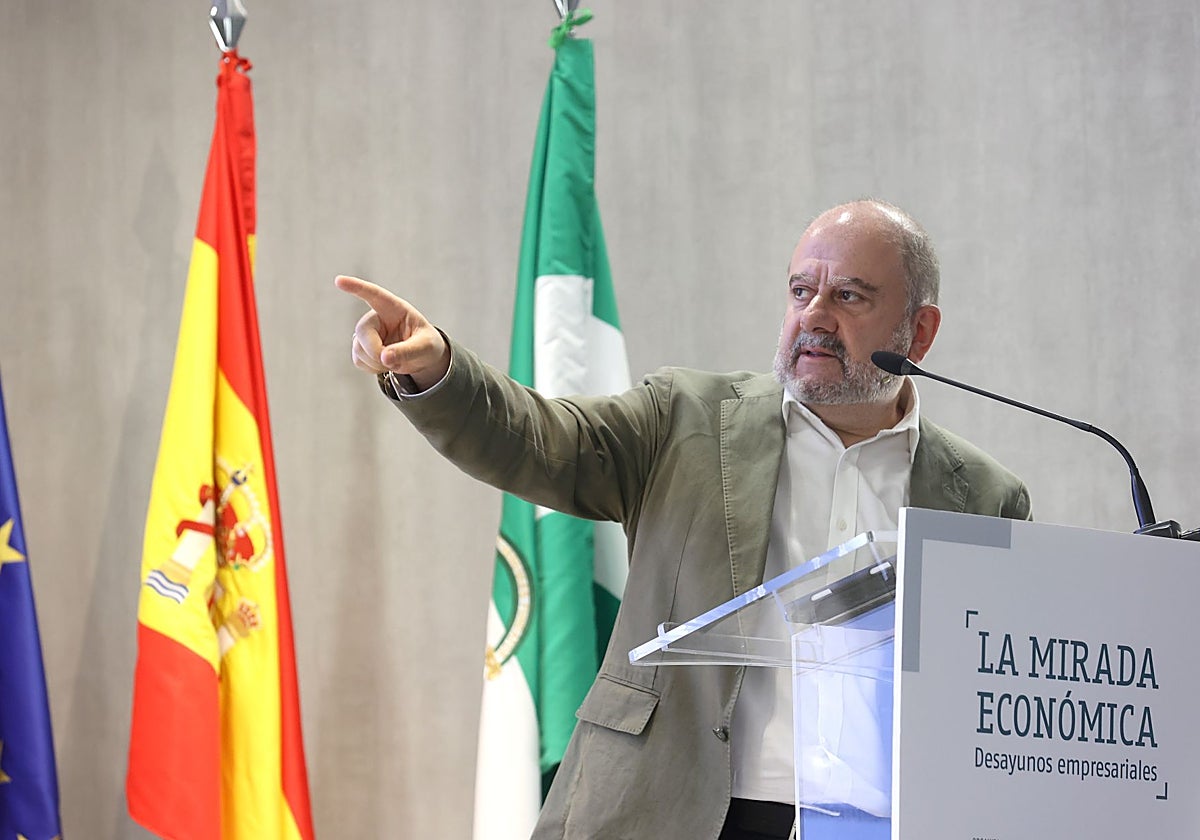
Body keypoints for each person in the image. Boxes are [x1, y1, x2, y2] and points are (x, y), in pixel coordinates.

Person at [337, 199, 1031, 840]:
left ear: (920, 330)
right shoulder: (687, 419)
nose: (814, 315)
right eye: (800, 291)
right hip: (671, 810)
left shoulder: (982, 497)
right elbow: (540, 439)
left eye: (848, 295)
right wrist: (438, 374)